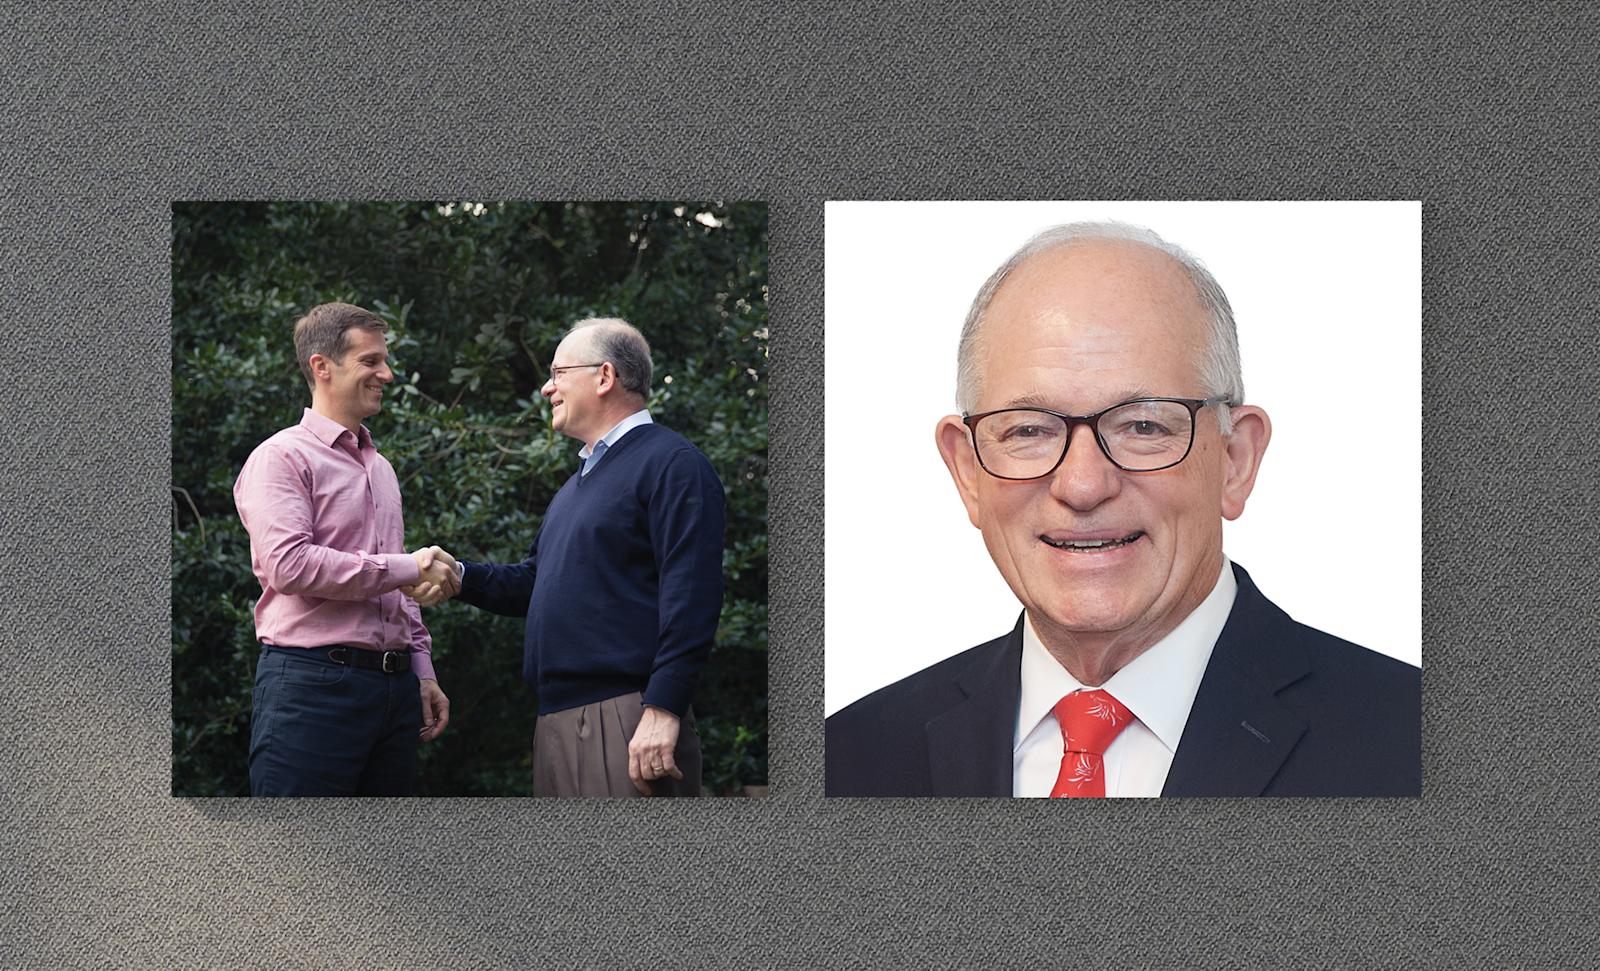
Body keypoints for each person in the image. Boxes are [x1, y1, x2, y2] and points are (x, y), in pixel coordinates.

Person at [825, 222, 1420, 797]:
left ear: (1235, 460)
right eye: (1029, 430)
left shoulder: (1410, 743)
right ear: (967, 472)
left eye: (1143, 425)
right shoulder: (852, 755)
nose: (1083, 486)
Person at [410, 318, 725, 797]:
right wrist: (461, 575)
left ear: (604, 377)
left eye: (558, 373)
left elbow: (693, 595)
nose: (545, 388)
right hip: (556, 722)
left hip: (628, 717)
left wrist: (662, 709)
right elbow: (539, 582)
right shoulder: (574, 488)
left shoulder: (672, 465)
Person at [233, 302, 459, 796]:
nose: (388, 373)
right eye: (372, 361)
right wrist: (406, 566)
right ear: (322, 366)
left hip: (395, 693)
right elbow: (289, 566)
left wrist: (422, 670)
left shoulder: (382, 467)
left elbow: (398, 589)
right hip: (311, 690)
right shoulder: (280, 458)